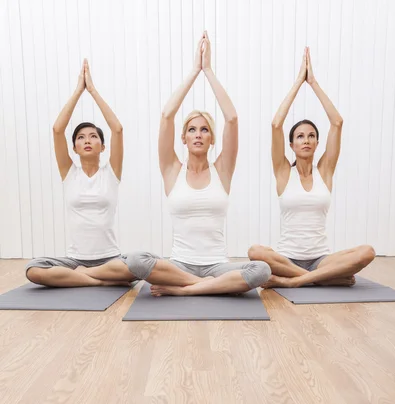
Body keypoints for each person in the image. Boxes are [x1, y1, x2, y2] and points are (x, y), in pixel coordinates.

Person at [26, 60, 203, 289]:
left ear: (102, 146)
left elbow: (117, 128)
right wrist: (78, 91)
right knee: (34, 269)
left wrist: (93, 91)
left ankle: (83, 279)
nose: (87, 140)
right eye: (81, 137)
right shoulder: (69, 173)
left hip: (110, 260)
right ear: (74, 148)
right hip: (75, 260)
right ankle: (97, 280)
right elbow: (57, 129)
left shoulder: (111, 173)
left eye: (93, 136)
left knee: (137, 264)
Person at [147, 31, 270, 297]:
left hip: (216, 266)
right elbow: (167, 115)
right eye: (192, 130)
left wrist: (209, 71)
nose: (198, 135)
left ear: (212, 138)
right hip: (179, 264)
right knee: (137, 261)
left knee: (262, 270)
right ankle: (207, 288)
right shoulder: (172, 170)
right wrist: (194, 71)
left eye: (204, 130)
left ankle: (187, 290)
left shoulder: (222, 170)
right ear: (183, 137)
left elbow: (233, 118)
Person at [248, 47, 375, 289]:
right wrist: (299, 82)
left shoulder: (324, 171)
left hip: (321, 260)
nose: (306, 140)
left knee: (367, 251)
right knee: (255, 251)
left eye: (311, 136)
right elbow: (276, 124)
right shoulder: (284, 172)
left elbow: (337, 122)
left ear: (318, 142)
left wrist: (313, 82)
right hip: (286, 258)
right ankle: (323, 280)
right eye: (300, 136)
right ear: (291, 144)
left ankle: (296, 282)